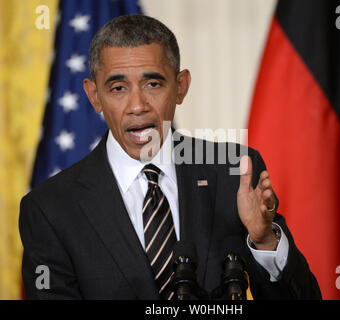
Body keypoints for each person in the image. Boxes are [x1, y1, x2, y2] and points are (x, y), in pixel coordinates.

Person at [19, 14, 321, 300]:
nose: (137, 105)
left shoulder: (234, 171)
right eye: (118, 88)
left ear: (180, 87)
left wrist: (264, 240)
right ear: (94, 95)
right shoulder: (50, 209)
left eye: (153, 84)